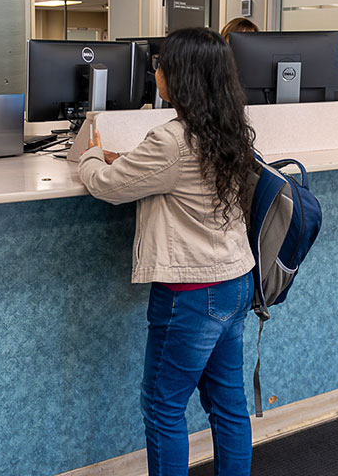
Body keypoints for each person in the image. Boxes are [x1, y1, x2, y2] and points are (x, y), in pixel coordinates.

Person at [77, 27, 259, 476]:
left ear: (180, 77)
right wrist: (128, 158)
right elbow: (168, 172)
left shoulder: (172, 140)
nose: (155, 71)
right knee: (228, 405)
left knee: (163, 407)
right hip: (235, 280)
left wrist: (89, 155)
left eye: (161, 64)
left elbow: (106, 187)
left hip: (192, 293)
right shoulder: (230, 128)